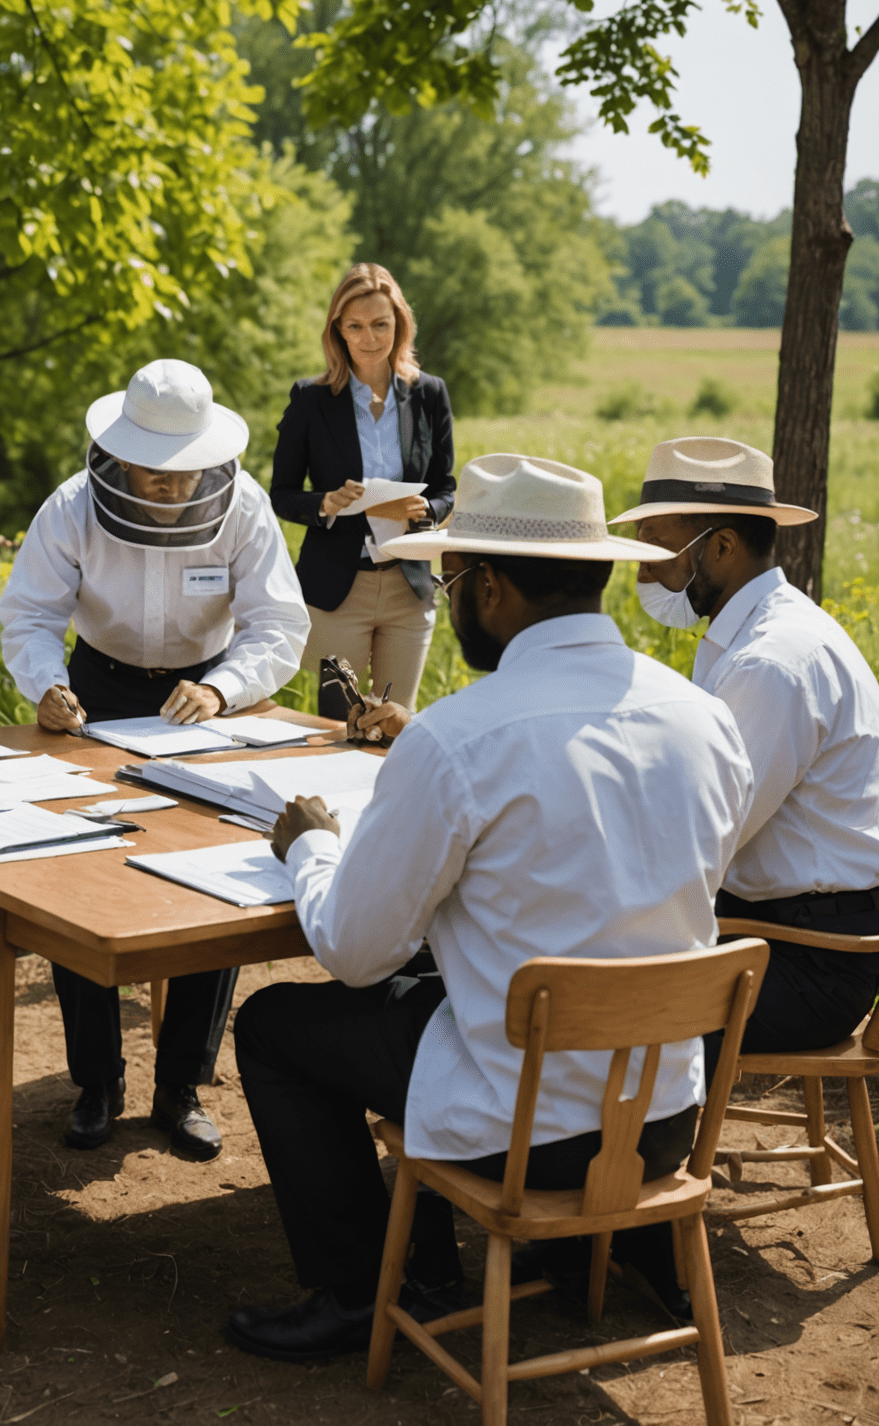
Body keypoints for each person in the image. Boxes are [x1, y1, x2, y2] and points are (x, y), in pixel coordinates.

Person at [223, 453, 755, 1363]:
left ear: (493, 588)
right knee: (451, 975)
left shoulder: (458, 735)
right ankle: (583, 1242)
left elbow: (355, 951)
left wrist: (311, 845)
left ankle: (368, 1290)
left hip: (531, 1130)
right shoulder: (702, 715)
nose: (442, 595)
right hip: (663, 1114)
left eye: (449, 575)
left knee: (276, 1024)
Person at [0, 359, 309, 1160]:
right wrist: (47, 685)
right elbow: (29, 613)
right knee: (79, 878)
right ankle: (96, 1081)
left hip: (203, 699)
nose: (169, 486)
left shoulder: (246, 508)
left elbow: (279, 624)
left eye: (184, 474)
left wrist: (226, 688)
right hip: (95, 686)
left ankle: (182, 1086)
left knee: (217, 880)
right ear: (119, 453)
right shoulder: (71, 506)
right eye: (153, 472)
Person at [614, 435, 879, 1075]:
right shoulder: (751, 633)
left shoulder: (770, 664)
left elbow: (704, 838)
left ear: (720, 548)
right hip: (779, 926)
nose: (642, 570)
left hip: (808, 960)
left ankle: (596, 1165)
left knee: (595, 1013)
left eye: (657, 547)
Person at [269, 263, 456, 720]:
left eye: (380, 325)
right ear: (337, 330)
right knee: (337, 724)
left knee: (396, 721)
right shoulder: (310, 399)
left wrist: (428, 509)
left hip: (407, 585)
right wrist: (326, 504)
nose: (369, 337)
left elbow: (446, 487)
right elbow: (282, 493)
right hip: (337, 589)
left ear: (400, 325)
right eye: (355, 326)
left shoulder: (429, 394)